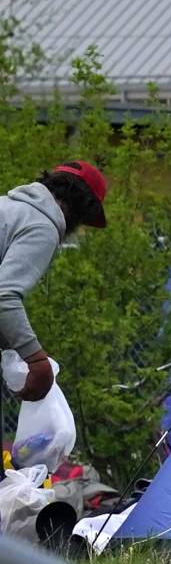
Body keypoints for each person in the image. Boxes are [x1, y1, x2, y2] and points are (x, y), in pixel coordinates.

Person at [1, 162, 109, 409]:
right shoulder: (42, 225)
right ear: (83, 208)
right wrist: (37, 360)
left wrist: (11, 347)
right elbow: (4, 295)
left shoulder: (7, 207)